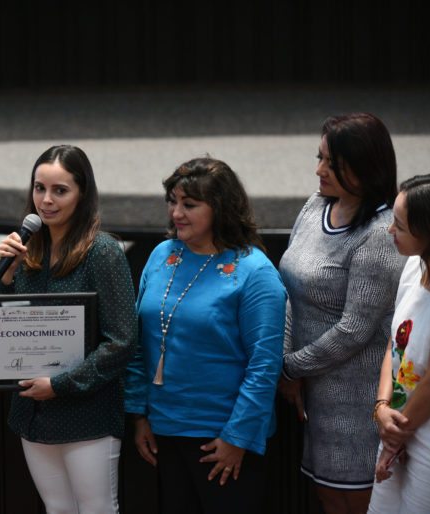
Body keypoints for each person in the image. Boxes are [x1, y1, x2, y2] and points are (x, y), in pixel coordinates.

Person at [124, 157, 287, 513]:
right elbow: (139, 341)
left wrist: (237, 438)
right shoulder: (161, 255)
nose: (176, 213)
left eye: (190, 204)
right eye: (173, 202)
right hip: (163, 432)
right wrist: (138, 415)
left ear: (221, 208)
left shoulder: (254, 271)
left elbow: (264, 365)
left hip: (224, 440)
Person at [0, 145, 137, 514]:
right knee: (57, 509)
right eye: (40, 188)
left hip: (87, 410)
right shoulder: (24, 251)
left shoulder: (102, 252)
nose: (46, 200)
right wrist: (5, 278)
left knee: (97, 509)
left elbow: (121, 341)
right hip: (33, 412)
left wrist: (59, 385)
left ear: (82, 194)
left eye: (60, 190)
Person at [277, 112, 405, 513]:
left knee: (351, 502)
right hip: (311, 390)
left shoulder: (380, 234)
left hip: (357, 398)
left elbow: (354, 329)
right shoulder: (316, 206)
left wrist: (289, 368)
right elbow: (287, 289)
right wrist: (290, 367)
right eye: (319, 158)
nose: (319, 170)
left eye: (333, 164)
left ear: (366, 167)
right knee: (325, 498)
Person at [367, 175, 430, 513]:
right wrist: (380, 407)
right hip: (397, 426)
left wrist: (394, 437)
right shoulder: (412, 266)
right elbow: (396, 341)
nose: (390, 230)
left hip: (421, 438)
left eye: (400, 225)